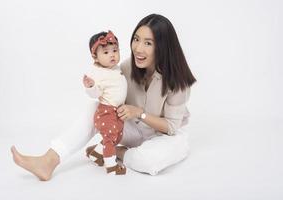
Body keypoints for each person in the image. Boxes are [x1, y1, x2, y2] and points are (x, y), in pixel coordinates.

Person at [11, 13, 196, 181]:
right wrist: (92, 87)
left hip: (163, 137)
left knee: (147, 161)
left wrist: (139, 113)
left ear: (163, 47)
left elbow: (171, 127)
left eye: (148, 43)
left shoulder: (177, 81)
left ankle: (112, 150)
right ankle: (49, 160)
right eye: (136, 39)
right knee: (95, 108)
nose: (138, 48)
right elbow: (104, 91)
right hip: (131, 129)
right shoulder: (127, 67)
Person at [83, 30, 127, 175]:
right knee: (110, 139)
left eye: (115, 50)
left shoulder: (115, 68)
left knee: (118, 136)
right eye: (106, 52)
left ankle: (96, 153)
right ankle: (111, 166)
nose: (112, 55)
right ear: (95, 57)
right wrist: (91, 86)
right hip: (106, 111)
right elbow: (96, 94)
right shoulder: (97, 73)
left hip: (117, 111)